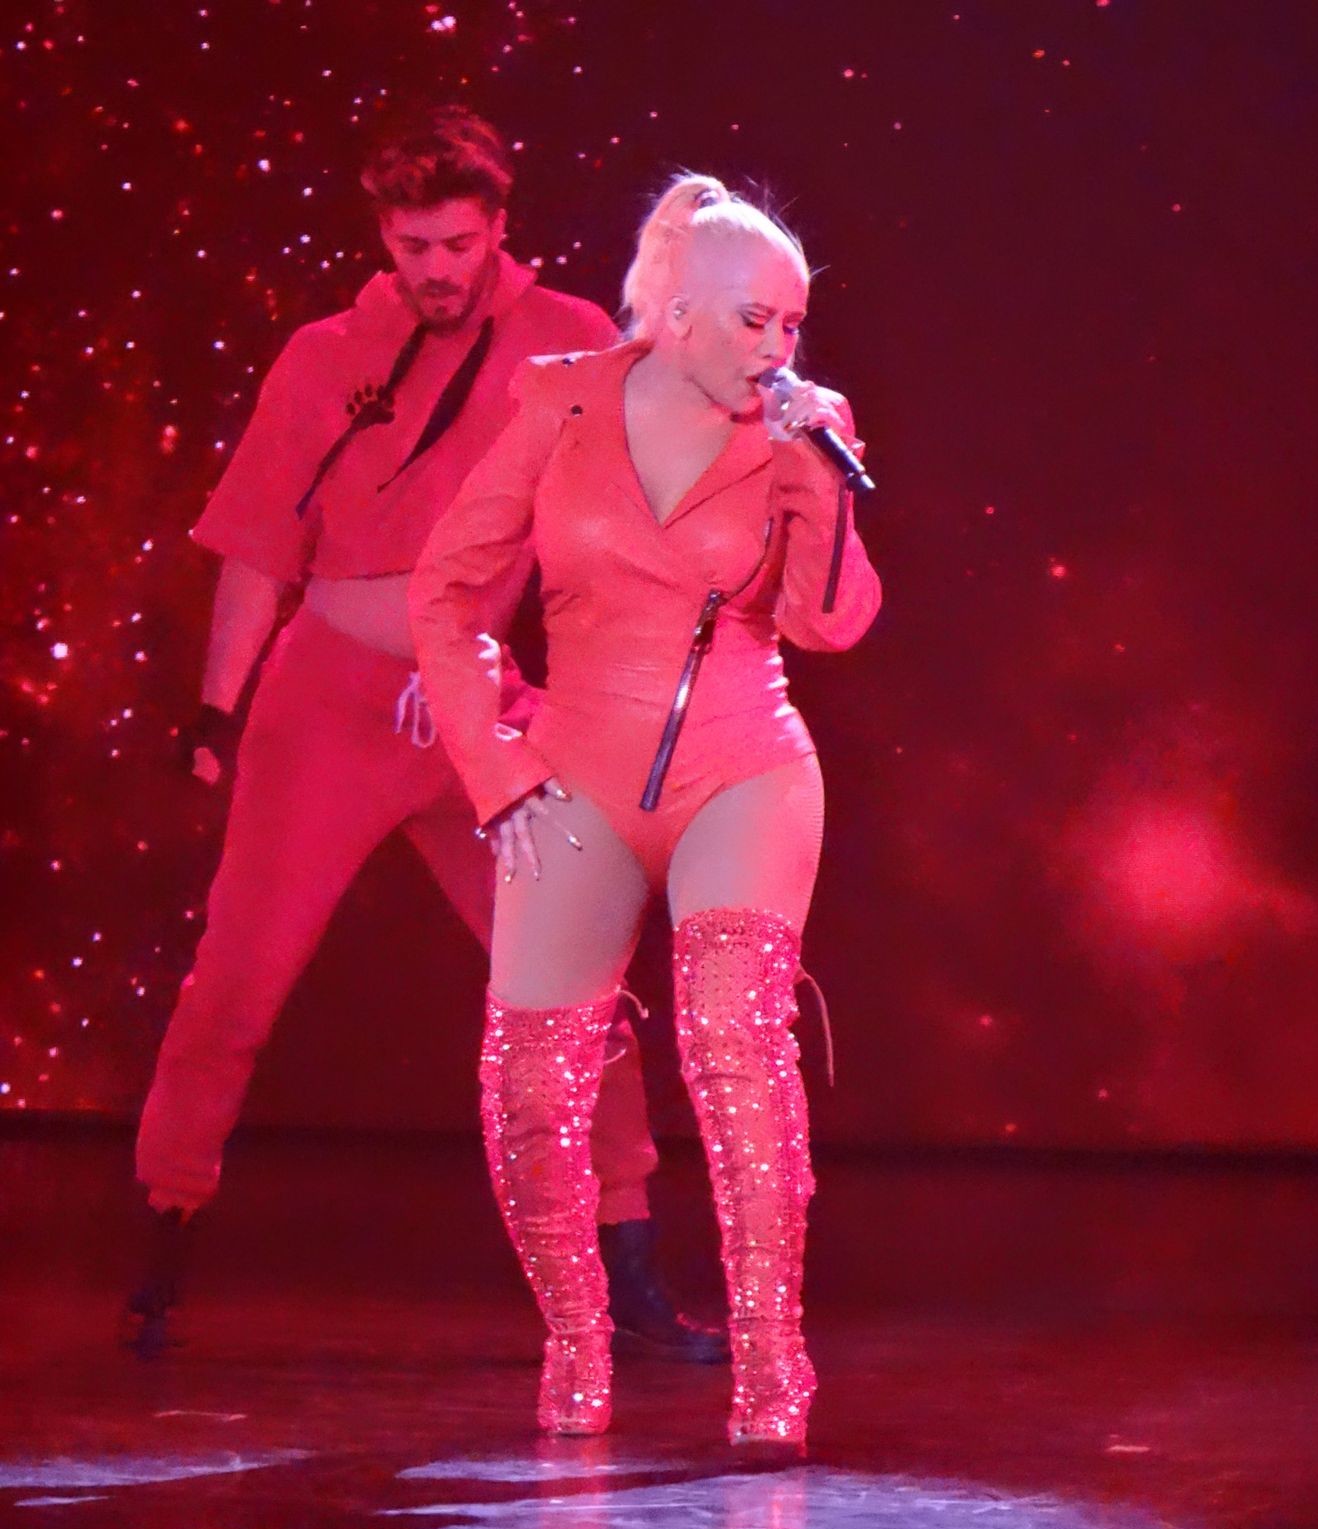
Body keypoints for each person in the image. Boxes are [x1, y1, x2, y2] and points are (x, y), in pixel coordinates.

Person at [127, 109, 723, 1366]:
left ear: (499, 228)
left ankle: (628, 1259)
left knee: (581, 978)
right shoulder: (324, 357)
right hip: (330, 704)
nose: (436, 269)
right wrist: (217, 710)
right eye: (412, 247)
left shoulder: (567, 339)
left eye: (456, 244)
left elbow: (632, 505)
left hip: (473, 705)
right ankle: (161, 1237)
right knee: (237, 978)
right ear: (383, 238)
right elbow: (256, 544)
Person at [409, 173, 881, 1453]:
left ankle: (773, 1371)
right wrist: (493, 767)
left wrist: (818, 480)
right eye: (753, 320)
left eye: (793, 324)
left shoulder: (798, 434)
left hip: (744, 762)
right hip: (576, 766)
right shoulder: (561, 401)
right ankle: (576, 1342)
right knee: (527, 1088)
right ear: (676, 314)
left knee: (733, 1047)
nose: (777, 347)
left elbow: (829, 621)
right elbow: (444, 592)